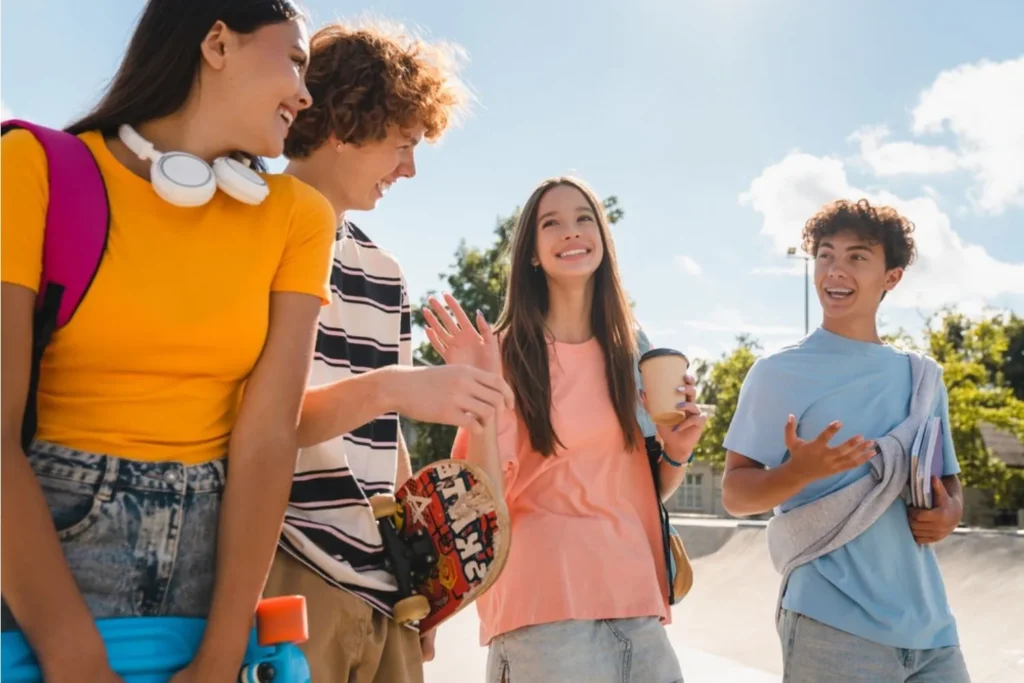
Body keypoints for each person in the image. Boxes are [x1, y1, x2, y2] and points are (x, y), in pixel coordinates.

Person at [0, 1, 338, 681]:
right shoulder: (29, 167)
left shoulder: (300, 219)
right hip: (45, 576)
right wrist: (74, 656)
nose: (305, 94)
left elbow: (268, 436)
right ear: (218, 42)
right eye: (295, 60)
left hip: (212, 577)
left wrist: (218, 658)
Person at [258, 21, 512, 683]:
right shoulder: (249, 229)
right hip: (285, 575)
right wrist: (397, 386)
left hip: (385, 595)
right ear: (345, 123)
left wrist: (415, 575)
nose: (410, 168)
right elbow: (260, 422)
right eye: (402, 143)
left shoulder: (385, 271)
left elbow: (386, 440)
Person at [423, 176, 706, 683]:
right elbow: (478, 501)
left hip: (637, 603)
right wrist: (481, 389)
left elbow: (645, 487)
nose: (570, 232)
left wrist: (677, 452)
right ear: (532, 253)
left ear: (603, 238)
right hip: (543, 610)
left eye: (583, 219)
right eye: (551, 224)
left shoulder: (631, 349)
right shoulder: (504, 354)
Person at [721, 199, 969, 682]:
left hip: (931, 628)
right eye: (826, 255)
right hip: (831, 622)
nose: (835, 270)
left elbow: (948, 481)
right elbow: (735, 494)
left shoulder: (921, 377)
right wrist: (799, 472)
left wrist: (951, 513)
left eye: (857, 257)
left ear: (890, 277)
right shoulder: (777, 373)